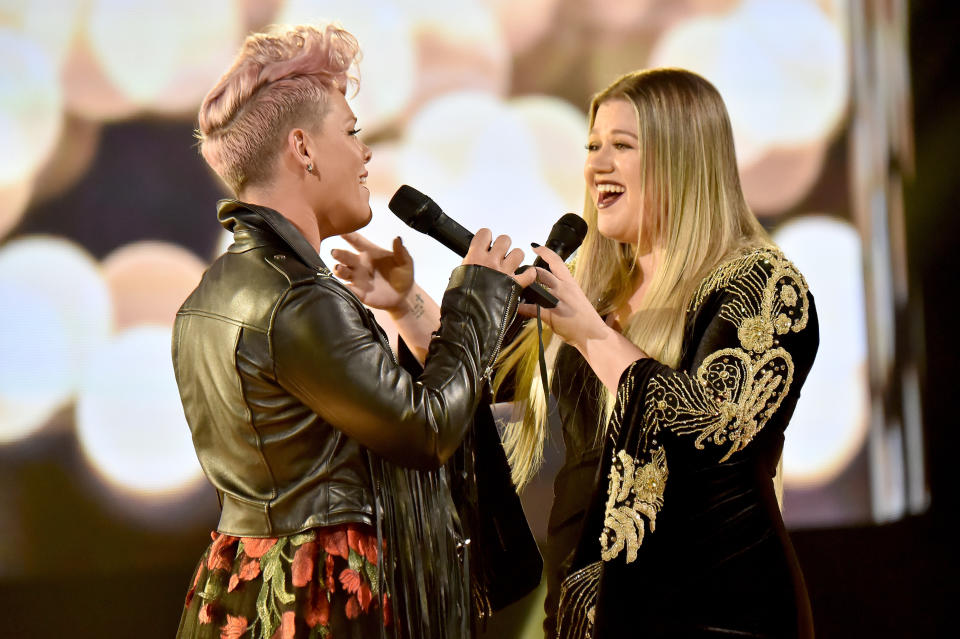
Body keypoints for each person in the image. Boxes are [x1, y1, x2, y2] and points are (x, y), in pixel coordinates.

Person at [172, 23, 538, 639]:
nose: (365, 153)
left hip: (250, 588)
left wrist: (403, 307)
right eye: (351, 132)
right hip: (317, 598)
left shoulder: (213, 295)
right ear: (302, 148)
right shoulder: (297, 300)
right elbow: (424, 431)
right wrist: (477, 298)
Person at [491, 68, 819, 638]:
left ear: (683, 158)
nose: (596, 164)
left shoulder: (760, 284)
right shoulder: (598, 297)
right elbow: (483, 381)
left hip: (716, 611)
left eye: (622, 146)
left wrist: (592, 336)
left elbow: (707, 425)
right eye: (593, 146)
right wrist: (404, 306)